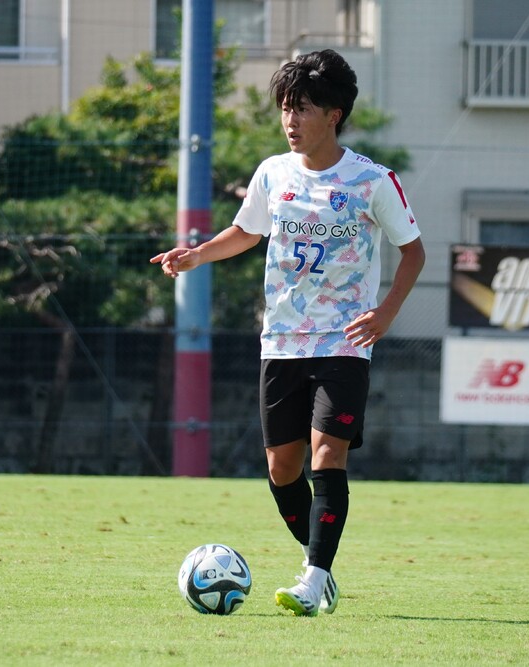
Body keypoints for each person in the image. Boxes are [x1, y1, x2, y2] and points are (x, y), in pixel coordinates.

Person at [150, 49, 425, 617]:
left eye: (302, 109)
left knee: (328, 454)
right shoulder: (273, 173)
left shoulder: (372, 181)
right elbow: (246, 232)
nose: (290, 120)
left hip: (344, 342)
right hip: (281, 341)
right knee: (282, 468)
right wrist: (198, 254)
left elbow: (414, 252)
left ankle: (313, 579)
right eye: (285, 108)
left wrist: (385, 313)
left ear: (334, 114)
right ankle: (318, 564)